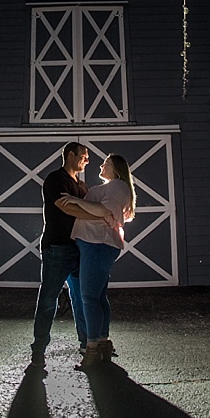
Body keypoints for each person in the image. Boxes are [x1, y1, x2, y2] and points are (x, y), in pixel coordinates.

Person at [56, 153, 136, 371]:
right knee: (98, 296)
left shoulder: (118, 186)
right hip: (92, 243)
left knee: (89, 296)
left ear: (117, 168)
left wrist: (74, 200)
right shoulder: (108, 187)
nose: (101, 165)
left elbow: (104, 210)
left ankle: (91, 350)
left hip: (98, 243)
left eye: (106, 163)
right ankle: (102, 342)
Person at [28, 142, 89, 371]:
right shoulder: (56, 179)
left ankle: (87, 346)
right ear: (70, 155)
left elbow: (85, 206)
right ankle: (39, 350)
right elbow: (66, 208)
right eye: (83, 155)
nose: (87, 160)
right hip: (57, 247)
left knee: (82, 298)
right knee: (48, 298)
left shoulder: (81, 186)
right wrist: (94, 215)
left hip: (79, 248)